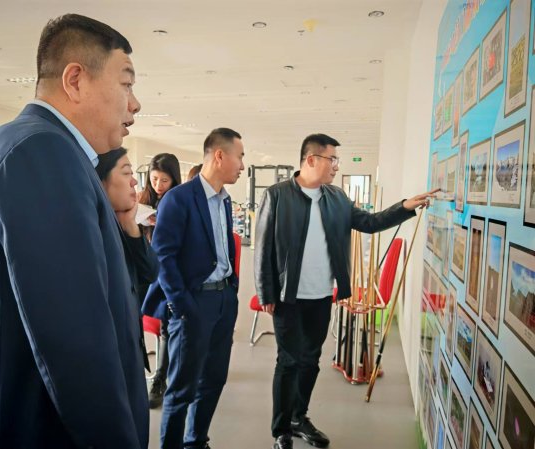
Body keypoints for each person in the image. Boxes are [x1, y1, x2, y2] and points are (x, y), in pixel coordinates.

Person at [0, 14, 149, 449]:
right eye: (126, 84)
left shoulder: (33, 146)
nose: (135, 104)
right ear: (75, 80)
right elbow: (73, 338)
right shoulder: (41, 149)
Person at [254, 133, 436, 449]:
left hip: (322, 295)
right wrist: (265, 292)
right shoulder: (277, 195)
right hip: (288, 296)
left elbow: (370, 222)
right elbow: (262, 247)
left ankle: (299, 417)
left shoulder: (337, 198)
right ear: (311, 159)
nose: (337, 166)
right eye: (332, 159)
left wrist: (405, 207)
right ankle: (281, 430)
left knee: (310, 360)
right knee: (288, 361)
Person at [143, 128, 245, 449]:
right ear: (220, 155)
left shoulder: (224, 201)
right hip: (193, 303)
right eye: (240, 157)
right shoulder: (179, 198)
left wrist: (231, 292)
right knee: (182, 388)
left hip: (223, 300)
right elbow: (164, 256)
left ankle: (196, 441)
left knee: (214, 379)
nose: (242, 165)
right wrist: (182, 305)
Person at [94, 147, 159, 373]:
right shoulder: (93, 232)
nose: (134, 182)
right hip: (108, 358)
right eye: (126, 173)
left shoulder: (121, 226)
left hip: (130, 347)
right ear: (101, 182)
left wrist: (130, 225)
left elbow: (150, 272)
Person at [137, 152, 182, 408]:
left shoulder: (177, 201)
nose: (158, 185)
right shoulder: (141, 200)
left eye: (164, 180)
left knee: (166, 326)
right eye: (154, 179)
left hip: (164, 272)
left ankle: (160, 379)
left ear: (174, 179)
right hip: (142, 270)